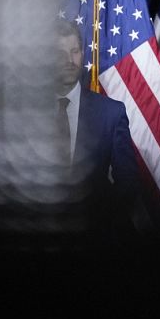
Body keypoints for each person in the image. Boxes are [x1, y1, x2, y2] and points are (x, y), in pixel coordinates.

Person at [54, 20, 140, 242]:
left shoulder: (111, 113)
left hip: (95, 238)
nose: (69, 60)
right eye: (60, 53)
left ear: (82, 54)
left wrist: (103, 226)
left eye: (74, 51)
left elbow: (128, 183)